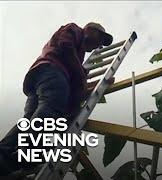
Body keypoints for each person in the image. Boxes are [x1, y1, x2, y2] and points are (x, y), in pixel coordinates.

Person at [0, 22, 115, 176]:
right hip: (51, 70)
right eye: (99, 38)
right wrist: (81, 74)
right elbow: (65, 45)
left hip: (39, 76)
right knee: (51, 109)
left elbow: (74, 86)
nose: (98, 45)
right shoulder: (74, 30)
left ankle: (3, 156)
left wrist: (93, 84)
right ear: (89, 30)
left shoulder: (77, 54)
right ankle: (28, 150)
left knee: (29, 118)